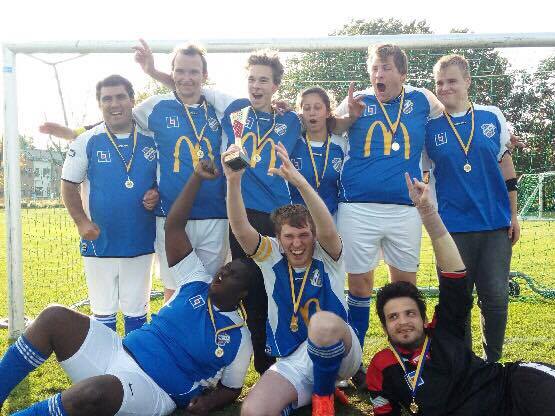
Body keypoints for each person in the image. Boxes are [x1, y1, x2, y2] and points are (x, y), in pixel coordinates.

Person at [0, 160, 253, 416]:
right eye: (227, 266)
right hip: (117, 350)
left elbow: (231, 388)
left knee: (94, 393)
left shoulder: (239, 338)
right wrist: (196, 177)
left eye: (233, 274)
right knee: (54, 316)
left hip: (154, 388)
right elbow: (174, 226)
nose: (223, 271)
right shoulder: (195, 281)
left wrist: (209, 403)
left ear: (243, 293)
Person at [135, 43, 303, 375]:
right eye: (252, 79)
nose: (256, 86)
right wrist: (152, 71)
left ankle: (292, 360)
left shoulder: (290, 119)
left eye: (264, 80)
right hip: (241, 215)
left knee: (283, 288)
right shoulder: (235, 108)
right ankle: (259, 365)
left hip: (279, 215)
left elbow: (327, 123)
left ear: (276, 85)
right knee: (246, 291)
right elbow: (188, 84)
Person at [367, 174, 555, 416]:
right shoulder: (382, 367)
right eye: (393, 317)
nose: (402, 321)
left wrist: (428, 214)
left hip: (516, 388)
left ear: (424, 320)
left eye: (410, 313)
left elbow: (455, 274)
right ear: (384, 326)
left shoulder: (444, 331)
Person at [333, 44, 444, 383]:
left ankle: (410, 363)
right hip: (357, 208)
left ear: (402, 74)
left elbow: (454, 113)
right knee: (359, 287)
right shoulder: (358, 100)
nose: (378, 74)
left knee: (405, 288)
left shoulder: (423, 99)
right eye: (374, 68)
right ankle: (354, 364)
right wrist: (348, 117)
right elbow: (329, 127)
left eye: (385, 68)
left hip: (404, 209)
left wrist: (504, 131)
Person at [225, 142, 361, 416]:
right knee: (253, 411)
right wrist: (233, 181)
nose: (297, 244)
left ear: (313, 235)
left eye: (304, 235)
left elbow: (326, 227)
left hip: (342, 352)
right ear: (278, 238)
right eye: (289, 236)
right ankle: (303, 395)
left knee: (322, 324)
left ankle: (323, 395)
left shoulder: (327, 253)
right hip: (294, 359)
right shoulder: (271, 254)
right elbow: (240, 228)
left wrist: (299, 182)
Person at [424, 54, 520, 362]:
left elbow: (506, 165)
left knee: (496, 297)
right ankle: (463, 365)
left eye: (452, 81)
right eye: (439, 83)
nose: (445, 88)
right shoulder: (428, 128)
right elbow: (422, 173)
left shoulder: (492, 116)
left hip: (494, 224)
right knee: (457, 300)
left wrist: (513, 214)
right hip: (451, 229)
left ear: (467, 81)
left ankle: (492, 363)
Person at [61, 74, 158, 335]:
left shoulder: (152, 139)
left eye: (120, 97)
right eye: (107, 99)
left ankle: (133, 359)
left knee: (137, 314)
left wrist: (156, 193)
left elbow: (164, 181)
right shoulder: (86, 140)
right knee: (103, 314)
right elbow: (68, 185)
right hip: (99, 243)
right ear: (99, 104)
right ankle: (106, 360)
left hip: (140, 242)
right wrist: (81, 222)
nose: (114, 104)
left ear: (132, 100)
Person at [132, 40, 229, 303]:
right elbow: (116, 122)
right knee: (174, 291)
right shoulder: (154, 107)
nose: (187, 78)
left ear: (204, 75)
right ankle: (171, 332)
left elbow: (256, 110)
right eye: (180, 71)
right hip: (171, 215)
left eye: (194, 71)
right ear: (172, 72)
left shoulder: (220, 109)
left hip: (214, 215)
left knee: (209, 289)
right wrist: (74, 133)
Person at [289, 87, 345, 216]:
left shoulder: (341, 145)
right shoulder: (292, 144)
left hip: (331, 218)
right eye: (306, 108)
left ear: (328, 112)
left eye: (317, 107)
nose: (312, 113)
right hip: (297, 220)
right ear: (301, 114)